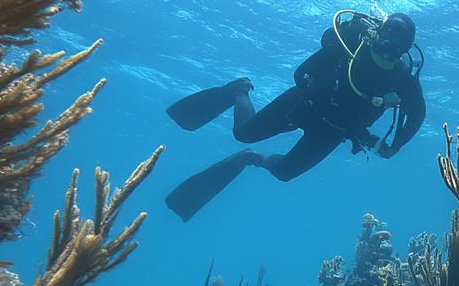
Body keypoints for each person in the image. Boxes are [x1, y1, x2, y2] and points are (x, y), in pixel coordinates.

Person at [164, 11, 426, 221]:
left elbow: (417, 116)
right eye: (388, 32)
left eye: (399, 40)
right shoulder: (351, 45)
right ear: (379, 31)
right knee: (242, 133)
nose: (390, 43)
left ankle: (251, 158)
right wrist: (319, 90)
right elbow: (301, 73)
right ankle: (239, 90)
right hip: (304, 104)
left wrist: (396, 146)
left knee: (284, 173)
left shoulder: (404, 81)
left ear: (406, 48)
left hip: (334, 130)